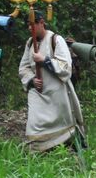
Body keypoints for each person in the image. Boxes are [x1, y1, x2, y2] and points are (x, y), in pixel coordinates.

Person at [19, 10, 84, 152]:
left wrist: (45, 60)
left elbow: (66, 66)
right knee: (34, 124)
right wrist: (32, 80)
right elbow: (23, 68)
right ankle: (38, 152)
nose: (30, 28)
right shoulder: (30, 43)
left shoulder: (56, 39)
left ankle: (68, 148)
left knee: (63, 124)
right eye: (28, 25)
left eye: (33, 25)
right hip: (38, 93)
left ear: (42, 23)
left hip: (56, 93)